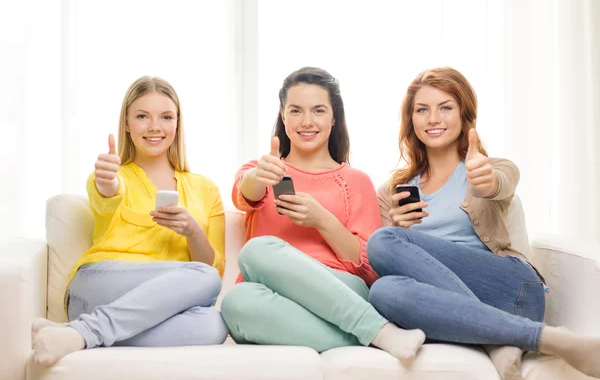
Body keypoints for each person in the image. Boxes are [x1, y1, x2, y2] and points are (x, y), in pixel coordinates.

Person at [367, 67, 600, 378]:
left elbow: (501, 182)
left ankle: (543, 337)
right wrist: (398, 228)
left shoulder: (490, 168)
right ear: (411, 121)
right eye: (422, 110)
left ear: (466, 116)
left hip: (513, 291)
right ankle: (499, 338)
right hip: (459, 310)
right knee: (383, 292)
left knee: (381, 241)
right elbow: (385, 265)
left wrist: (486, 184)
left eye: (446, 107)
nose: (433, 118)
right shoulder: (392, 193)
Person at [220, 67, 426, 362]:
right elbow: (245, 192)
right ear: (283, 115)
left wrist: (322, 220)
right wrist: (258, 175)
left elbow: (367, 267)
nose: (307, 121)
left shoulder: (355, 181)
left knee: (257, 249)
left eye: (318, 110)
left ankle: (371, 327)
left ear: (334, 117)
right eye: (296, 111)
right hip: (271, 296)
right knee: (236, 301)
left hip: (340, 288)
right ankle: (374, 335)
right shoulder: (263, 170)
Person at [31, 76, 228, 366]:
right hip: (97, 286)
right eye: (142, 116)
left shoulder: (205, 188)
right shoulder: (115, 176)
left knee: (215, 325)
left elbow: (215, 271)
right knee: (204, 276)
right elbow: (107, 195)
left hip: (144, 309)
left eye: (165, 117)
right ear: (126, 123)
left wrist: (193, 231)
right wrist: (107, 182)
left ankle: (78, 333)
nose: (154, 126)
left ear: (177, 123)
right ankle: (85, 328)